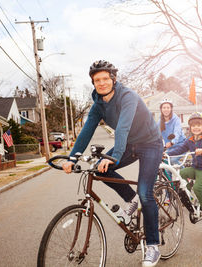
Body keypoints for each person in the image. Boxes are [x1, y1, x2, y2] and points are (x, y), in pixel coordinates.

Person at [62, 60, 162, 267]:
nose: (101, 83)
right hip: (129, 145)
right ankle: (131, 199)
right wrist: (71, 158)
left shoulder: (128, 96)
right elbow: (86, 131)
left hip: (150, 144)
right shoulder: (98, 105)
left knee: (146, 193)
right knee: (99, 170)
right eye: (97, 80)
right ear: (93, 83)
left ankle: (153, 245)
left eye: (105, 78)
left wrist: (114, 156)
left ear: (113, 79)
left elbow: (123, 128)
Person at [165, 112, 202, 228]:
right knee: (179, 174)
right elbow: (180, 149)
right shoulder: (189, 140)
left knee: (197, 188)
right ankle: (188, 196)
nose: (196, 127)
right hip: (195, 168)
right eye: (193, 126)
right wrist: (166, 153)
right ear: (190, 128)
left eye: (198, 125)